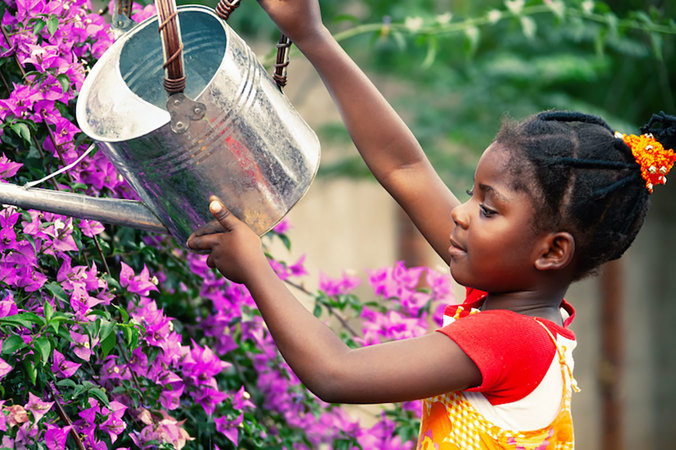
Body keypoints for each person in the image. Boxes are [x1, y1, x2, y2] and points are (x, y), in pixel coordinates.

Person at [187, 1, 676, 448]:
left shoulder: (511, 338)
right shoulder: (517, 303)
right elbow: (406, 170)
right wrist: (313, 36)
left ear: (551, 252)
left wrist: (255, 267)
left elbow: (335, 374)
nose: (461, 214)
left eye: (488, 209)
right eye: (471, 195)